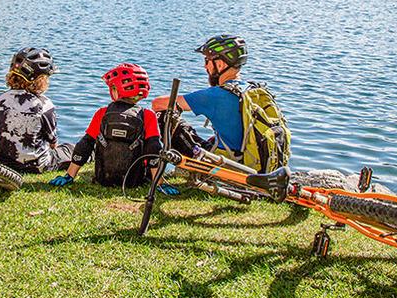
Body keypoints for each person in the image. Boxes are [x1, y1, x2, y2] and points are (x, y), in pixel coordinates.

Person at [49, 63, 177, 194]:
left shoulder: (102, 113)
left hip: (103, 179)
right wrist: (159, 183)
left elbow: (85, 144)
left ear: (116, 90)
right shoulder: (147, 115)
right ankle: (157, 180)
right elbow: (153, 148)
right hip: (134, 181)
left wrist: (69, 176)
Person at [150, 34, 252, 162]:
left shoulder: (216, 95)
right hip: (250, 159)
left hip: (227, 161)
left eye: (207, 60)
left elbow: (158, 104)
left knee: (164, 116)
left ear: (220, 64)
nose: (205, 66)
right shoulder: (251, 89)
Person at [0, 47, 73, 174]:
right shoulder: (44, 104)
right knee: (70, 149)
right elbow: (53, 143)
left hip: (2, 163)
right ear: (40, 80)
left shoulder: (0, 100)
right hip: (35, 166)